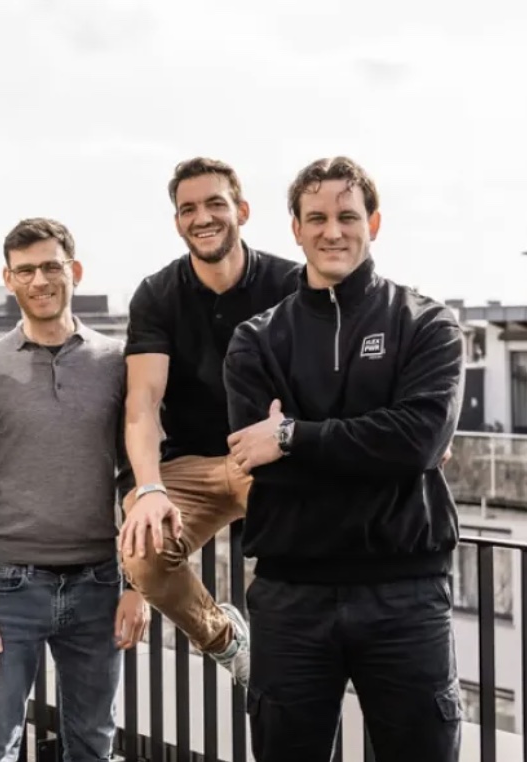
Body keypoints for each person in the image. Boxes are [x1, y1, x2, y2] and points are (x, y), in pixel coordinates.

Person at [223, 156, 466, 762]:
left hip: (405, 594)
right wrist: (376, 446)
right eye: (317, 217)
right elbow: (257, 458)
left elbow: (418, 441)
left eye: (348, 216)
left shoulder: (427, 325)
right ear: (296, 229)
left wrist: (291, 436)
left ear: (374, 223)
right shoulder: (256, 340)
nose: (333, 231)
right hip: (291, 598)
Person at [0, 217, 149, 762]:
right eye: (25, 270)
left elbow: (137, 477)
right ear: (9, 279)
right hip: (6, 587)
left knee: (94, 743)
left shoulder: (116, 363)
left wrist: (138, 583)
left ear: (74, 271)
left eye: (50, 266)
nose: (39, 280)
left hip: (97, 585)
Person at [117, 157, 300, 687]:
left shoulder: (291, 284)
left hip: (266, 460)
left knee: (312, 541)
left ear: (241, 210)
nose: (203, 217)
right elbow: (143, 402)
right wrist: (148, 487)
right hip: (191, 464)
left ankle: (302, 660)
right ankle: (224, 638)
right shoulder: (157, 294)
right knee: (142, 554)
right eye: (188, 209)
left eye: (215, 203)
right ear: (177, 222)